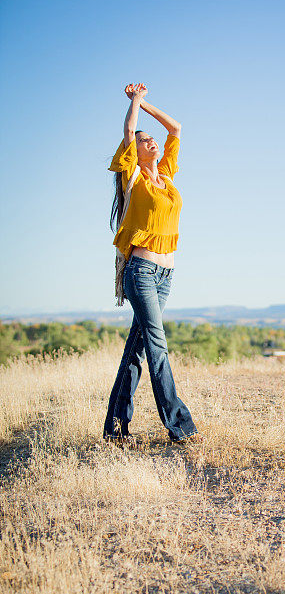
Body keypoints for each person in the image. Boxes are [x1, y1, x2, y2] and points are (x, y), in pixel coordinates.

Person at [103, 82, 201, 446]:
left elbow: (175, 128)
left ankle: (115, 427)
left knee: (139, 348)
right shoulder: (133, 179)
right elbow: (129, 132)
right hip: (141, 272)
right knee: (157, 345)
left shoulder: (167, 176)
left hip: (165, 275)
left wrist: (148, 107)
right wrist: (135, 103)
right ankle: (180, 425)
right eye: (145, 141)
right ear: (135, 150)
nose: (152, 141)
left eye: (151, 140)